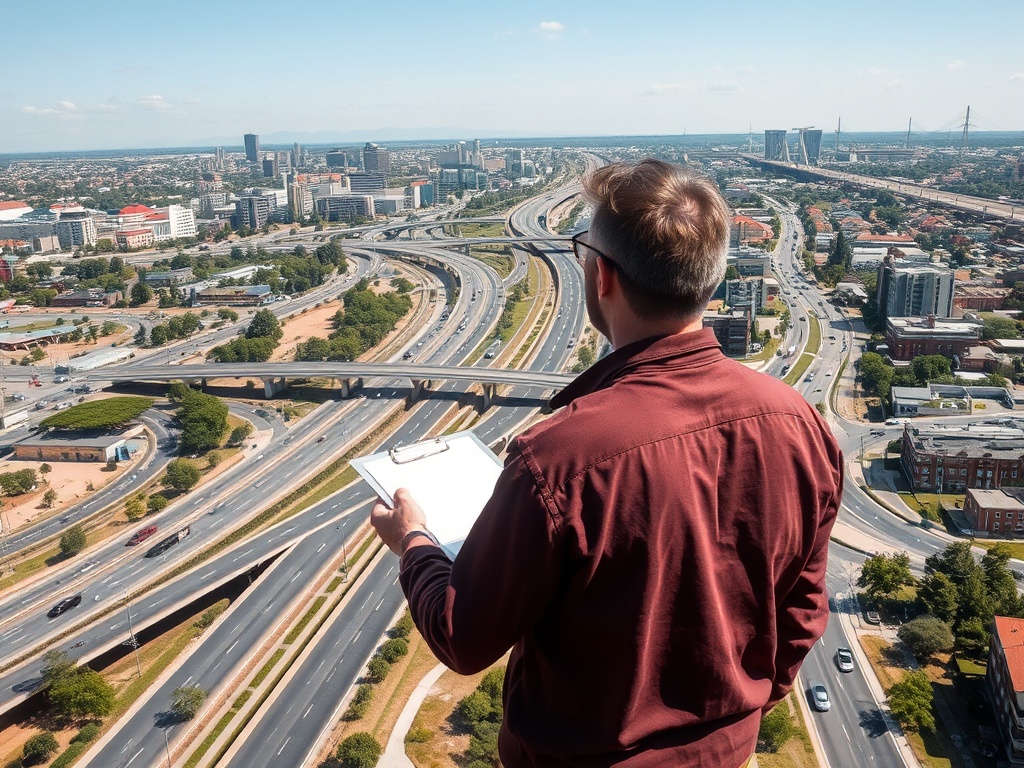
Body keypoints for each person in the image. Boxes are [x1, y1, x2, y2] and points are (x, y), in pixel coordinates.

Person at [371, 159, 843, 767]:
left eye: (584, 251)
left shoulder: (560, 457)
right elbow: (803, 612)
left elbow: (463, 637)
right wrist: (735, 715)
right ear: (707, 280)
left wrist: (413, 540)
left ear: (603, 277)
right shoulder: (799, 425)